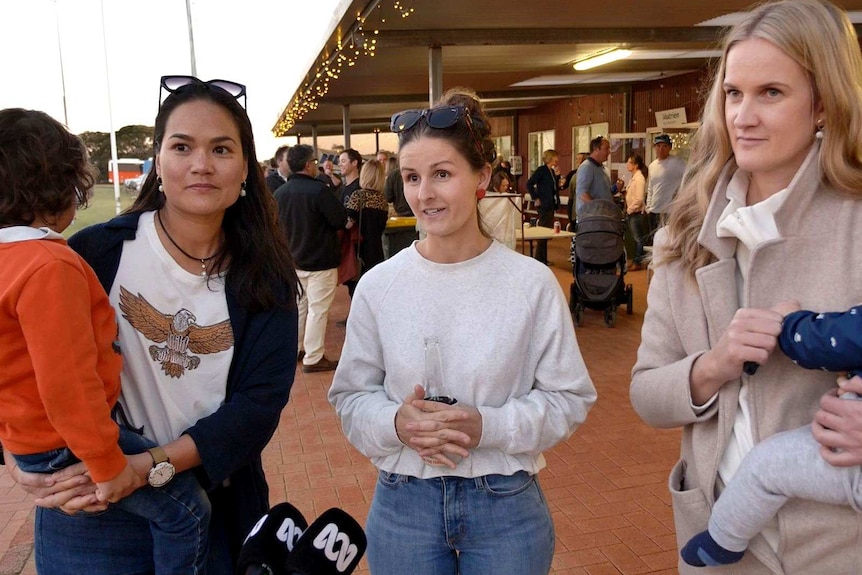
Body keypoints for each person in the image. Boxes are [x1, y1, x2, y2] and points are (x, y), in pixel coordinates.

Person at [10, 76, 300, 575]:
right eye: (182, 146)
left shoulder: (266, 276)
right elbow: (15, 359)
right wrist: (20, 463)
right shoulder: (93, 253)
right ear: (158, 163)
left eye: (222, 149)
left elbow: (257, 408)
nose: (201, 165)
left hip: (212, 506)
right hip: (92, 512)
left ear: (246, 169)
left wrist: (146, 468)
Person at [629, 1, 862, 572]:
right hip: (720, 540)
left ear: (824, 105)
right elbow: (645, 394)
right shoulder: (685, 233)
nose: (744, 116)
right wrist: (714, 364)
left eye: (772, 93)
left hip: (840, 545)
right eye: (734, 93)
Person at [328, 87, 596, 575]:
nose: (424, 193)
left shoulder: (530, 284)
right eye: (411, 177)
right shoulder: (379, 286)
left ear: (482, 177)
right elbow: (350, 396)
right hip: (402, 501)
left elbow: (569, 398)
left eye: (442, 174)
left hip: (506, 505)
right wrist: (395, 424)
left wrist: (487, 427)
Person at [0, 107, 213, 574]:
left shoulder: (11, 261)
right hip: (72, 441)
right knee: (189, 513)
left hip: (32, 441)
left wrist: (15, 451)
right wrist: (108, 465)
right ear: (63, 184)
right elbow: (68, 384)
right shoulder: (49, 266)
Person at [681, 299, 862, 567]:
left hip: (850, 468)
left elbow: (828, 341)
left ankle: (723, 539)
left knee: (767, 466)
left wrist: (789, 324)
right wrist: (711, 366)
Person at [275, 144, 347, 373]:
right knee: (317, 310)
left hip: (294, 261)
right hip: (320, 261)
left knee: (299, 308)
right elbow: (339, 220)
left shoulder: (280, 194)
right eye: (314, 162)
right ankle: (314, 357)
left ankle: (296, 349)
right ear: (308, 165)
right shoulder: (319, 191)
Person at [343, 158, 389, 298]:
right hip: (376, 251)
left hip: (359, 252)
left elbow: (348, 224)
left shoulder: (358, 196)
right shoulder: (383, 201)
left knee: (357, 291)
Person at [645, 134, 686, 234]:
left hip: (669, 211)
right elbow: (651, 187)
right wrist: (648, 206)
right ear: (654, 147)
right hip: (654, 211)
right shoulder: (652, 166)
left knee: (667, 240)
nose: (661, 149)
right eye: (658, 146)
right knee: (654, 241)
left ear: (669, 148)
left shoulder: (677, 163)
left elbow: (690, 177)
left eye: (664, 146)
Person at [526, 148, 561, 265]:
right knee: (543, 231)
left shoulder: (551, 171)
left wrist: (557, 178)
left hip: (550, 204)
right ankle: (540, 259)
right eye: (556, 157)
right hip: (544, 204)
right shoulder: (542, 170)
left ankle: (542, 258)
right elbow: (529, 183)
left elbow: (553, 187)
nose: (557, 160)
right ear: (551, 157)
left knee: (546, 232)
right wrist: (535, 197)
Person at [575, 136, 611, 218]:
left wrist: (616, 188)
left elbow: (604, 192)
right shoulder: (586, 167)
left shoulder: (603, 169)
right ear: (596, 149)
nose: (609, 152)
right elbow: (582, 194)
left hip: (603, 217)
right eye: (606, 149)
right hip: (590, 218)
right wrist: (599, 210)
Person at [623, 154, 649, 271]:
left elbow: (638, 199)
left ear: (635, 165)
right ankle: (636, 260)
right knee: (636, 238)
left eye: (629, 163)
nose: (627, 165)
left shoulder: (639, 179)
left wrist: (629, 210)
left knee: (638, 239)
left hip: (635, 213)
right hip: (632, 213)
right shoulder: (634, 177)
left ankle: (638, 261)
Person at [565, 152, 589, 227]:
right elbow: (571, 197)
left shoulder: (576, 176)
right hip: (580, 213)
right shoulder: (574, 176)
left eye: (579, 159)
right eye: (577, 159)